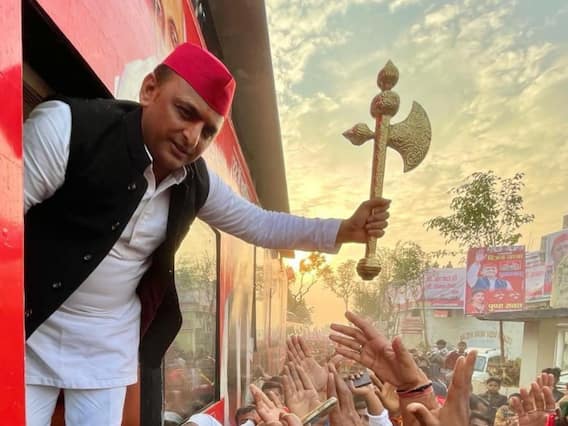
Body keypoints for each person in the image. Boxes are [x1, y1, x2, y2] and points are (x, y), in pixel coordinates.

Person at [23, 42, 391, 425]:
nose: (192, 137)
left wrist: (344, 230)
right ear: (149, 90)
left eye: (208, 131)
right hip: (31, 330)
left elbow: (261, 225)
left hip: (109, 347)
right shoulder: (67, 129)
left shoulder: (195, 181)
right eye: (185, 112)